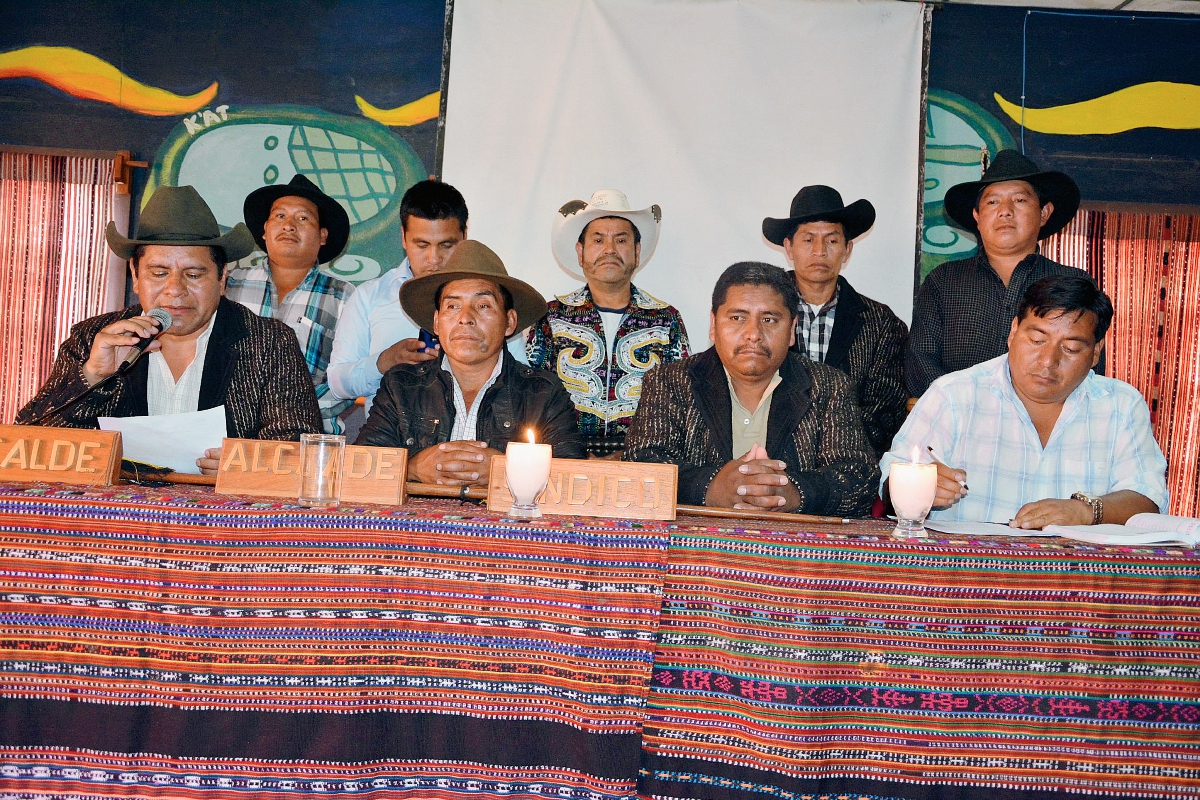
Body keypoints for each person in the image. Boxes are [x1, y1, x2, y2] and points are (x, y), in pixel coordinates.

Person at [16, 185, 322, 473]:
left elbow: (300, 451)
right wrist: (93, 375)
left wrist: (249, 466)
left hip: (223, 520)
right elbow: (28, 445)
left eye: (193, 274)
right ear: (135, 276)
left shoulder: (268, 342)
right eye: (159, 273)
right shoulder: (93, 338)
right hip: (116, 518)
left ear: (222, 277)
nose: (175, 290)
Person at [882, 275, 1167, 528]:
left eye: (1071, 348)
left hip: (1075, 579)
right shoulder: (954, 395)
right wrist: (922, 488)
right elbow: (891, 481)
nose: (1048, 361)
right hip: (966, 574)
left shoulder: (1120, 405)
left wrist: (1084, 511)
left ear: (1095, 353)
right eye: (1037, 340)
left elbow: (1147, 498)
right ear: (1014, 331)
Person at [624, 262, 878, 516]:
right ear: (714, 324)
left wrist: (791, 492)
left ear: (791, 330)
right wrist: (711, 487)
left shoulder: (830, 386)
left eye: (769, 319)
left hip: (792, 550)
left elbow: (858, 478)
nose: (753, 334)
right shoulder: (669, 381)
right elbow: (641, 465)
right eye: (738, 318)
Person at [357, 240, 584, 487]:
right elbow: (359, 467)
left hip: (506, 525)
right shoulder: (401, 385)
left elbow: (572, 478)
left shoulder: (542, 392)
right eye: (453, 306)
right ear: (436, 322)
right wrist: (412, 468)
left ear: (510, 321)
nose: (465, 318)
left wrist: (509, 470)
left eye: (483, 305)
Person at [328, 180, 526, 418]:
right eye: (422, 245)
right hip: (390, 441)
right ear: (403, 237)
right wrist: (384, 362)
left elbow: (520, 382)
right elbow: (337, 384)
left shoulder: (493, 301)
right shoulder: (370, 297)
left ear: (464, 235)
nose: (434, 258)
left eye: (446, 245)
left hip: (478, 439)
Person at [907, 149, 1091, 397]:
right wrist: (971, 409)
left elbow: (1085, 364)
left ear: (1044, 213)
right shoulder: (944, 280)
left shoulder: (1075, 284)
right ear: (977, 216)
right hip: (958, 423)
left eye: (1020, 200)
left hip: (1043, 427)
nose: (1005, 211)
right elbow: (920, 363)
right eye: (992, 202)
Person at [528, 190, 689, 457]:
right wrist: (573, 455)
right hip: (562, 459)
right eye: (598, 239)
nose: (610, 250)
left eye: (621, 240)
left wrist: (632, 456)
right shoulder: (551, 318)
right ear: (581, 252)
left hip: (644, 461)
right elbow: (533, 400)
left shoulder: (666, 320)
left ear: (636, 252)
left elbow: (680, 403)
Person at [762, 185, 907, 457]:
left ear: (847, 249)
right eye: (808, 240)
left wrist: (832, 448)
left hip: (847, 466)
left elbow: (885, 412)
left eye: (831, 240)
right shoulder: (762, 313)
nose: (820, 251)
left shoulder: (881, 323)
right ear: (789, 248)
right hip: (769, 458)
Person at [228, 174, 355, 433]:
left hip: (307, 441)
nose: (288, 226)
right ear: (264, 230)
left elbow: (348, 380)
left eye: (303, 218)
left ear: (322, 236)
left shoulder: (345, 297)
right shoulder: (229, 287)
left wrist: (295, 414)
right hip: (226, 438)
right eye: (280, 216)